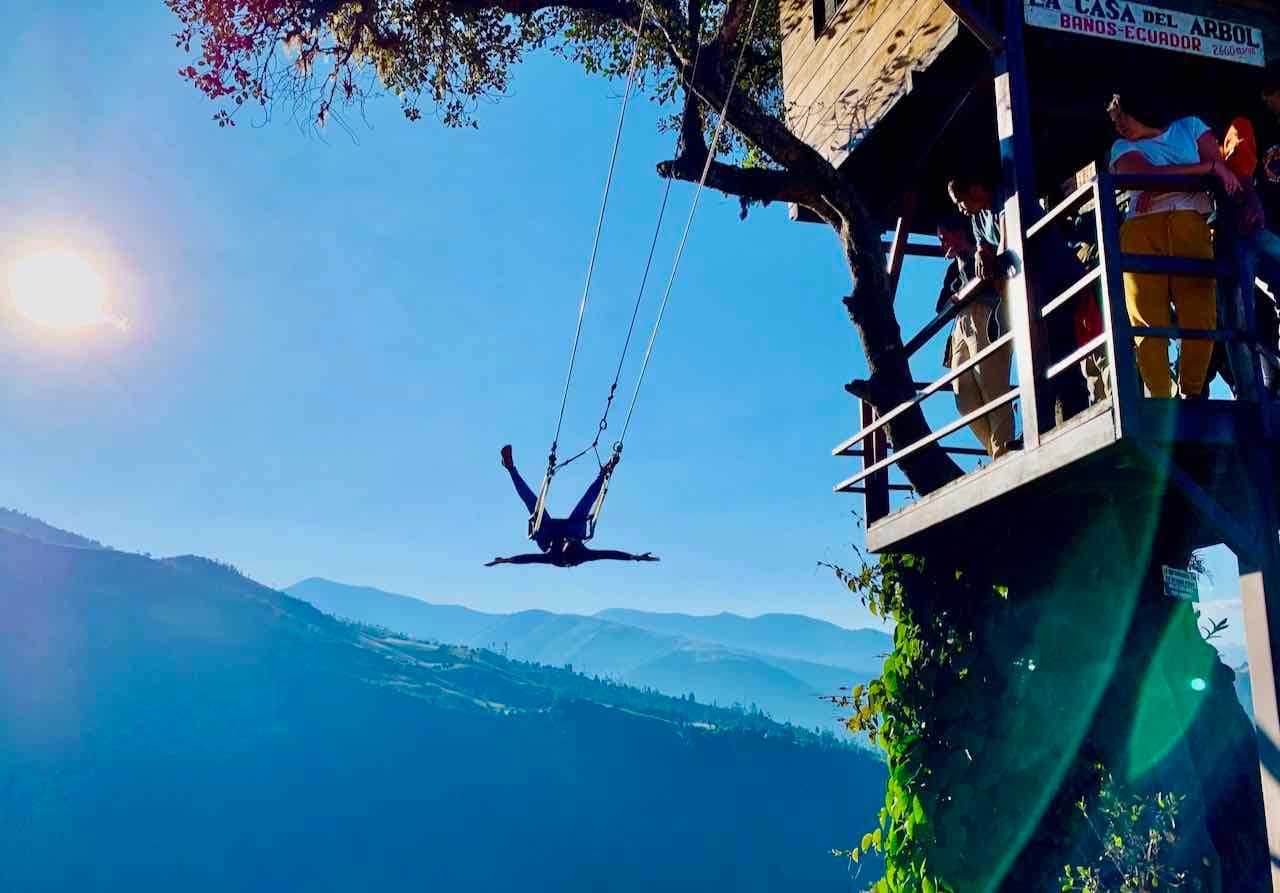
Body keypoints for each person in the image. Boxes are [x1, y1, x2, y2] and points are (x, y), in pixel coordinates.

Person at [1107, 91, 1242, 398]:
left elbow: (1220, 169)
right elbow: (1142, 177)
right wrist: (1205, 171)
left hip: (1190, 227)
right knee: (1146, 319)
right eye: (1115, 123)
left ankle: (1191, 393)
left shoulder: (1189, 127)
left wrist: (1175, 181)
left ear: (1140, 109)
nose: (1119, 127)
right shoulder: (1121, 146)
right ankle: (1159, 399)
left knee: (1201, 315)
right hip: (1142, 231)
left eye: (1122, 118)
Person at [948, 175, 1090, 423]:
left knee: (1061, 349)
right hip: (1033, 291)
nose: (962, 208)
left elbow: (1005, 244)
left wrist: (992, 257)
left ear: (976, 188)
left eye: (961, 201)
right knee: (1040, 357)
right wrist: (982, 252)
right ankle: (1042, 422)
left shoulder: (1006, 193)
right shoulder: (978, 217)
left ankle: (1069, 415)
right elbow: (984, 244)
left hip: (1055, 280)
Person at [487, 445, 658, 568]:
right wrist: (635, 557)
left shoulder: (554, 557)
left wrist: (506, 560)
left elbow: (529, 558)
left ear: (563, 548)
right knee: (587, 501)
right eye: (570, 541)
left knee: (532, 502)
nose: (567, 540)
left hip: (548, 537)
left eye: (567, 542)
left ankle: (509, 467)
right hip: (572, 529)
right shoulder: (584, 554)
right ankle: (603, 473)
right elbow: (608, 554)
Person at [936, 215, 1015, 459]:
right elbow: (941, 306)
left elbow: (999, 277)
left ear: (958, 232)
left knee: (992, 388)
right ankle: (997, 451)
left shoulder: (985, 251)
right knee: (964, 398)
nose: (942, 245)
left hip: (987, 315)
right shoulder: (953, 269)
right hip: (961, 326)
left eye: (943, 238)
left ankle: (1003, 452)